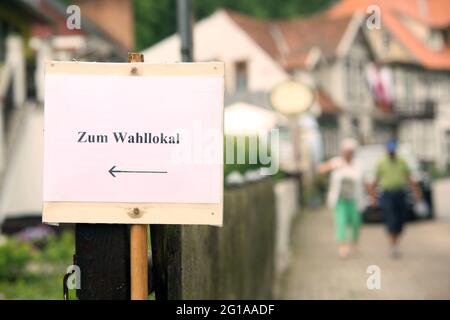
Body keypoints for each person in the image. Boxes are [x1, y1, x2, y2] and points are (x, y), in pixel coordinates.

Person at [369, 139, 422, 258]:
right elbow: (375, 181)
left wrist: (417, 192)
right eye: (390, 151)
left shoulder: (402, 161)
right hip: (387, 194)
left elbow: (409, 178)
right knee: (391, 219)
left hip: (400, 194)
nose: (391, 153)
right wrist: (373, 197)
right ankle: (393, 245)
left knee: (401, 220)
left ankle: (395, 242)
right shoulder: (381, 162)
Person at [321, 138, 365, 258]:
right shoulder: (337, 162)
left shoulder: (358, 165)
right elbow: (321, 169)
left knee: (356, 222)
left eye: (349, 151)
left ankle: (354, 243)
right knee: (340, 223)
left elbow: (362, 181)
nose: (347, 154)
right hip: (340, 200)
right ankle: (343, 247)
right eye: (345, 151)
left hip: (354, 199)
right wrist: (332, 166)